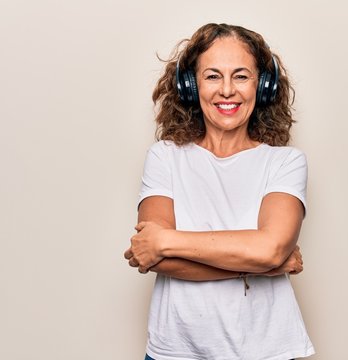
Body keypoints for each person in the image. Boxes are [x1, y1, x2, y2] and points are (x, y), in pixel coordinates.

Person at [124, 23, 314, 360]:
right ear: (190, 86)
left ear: (263, 86)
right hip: (174, 350)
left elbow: (270, 249)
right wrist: (262, 264)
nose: (227, 90)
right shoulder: (164, 157)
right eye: (212, 76)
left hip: (264, 350)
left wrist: (167, 239)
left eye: (241, 76)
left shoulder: (284, 162)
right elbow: (158, 260)